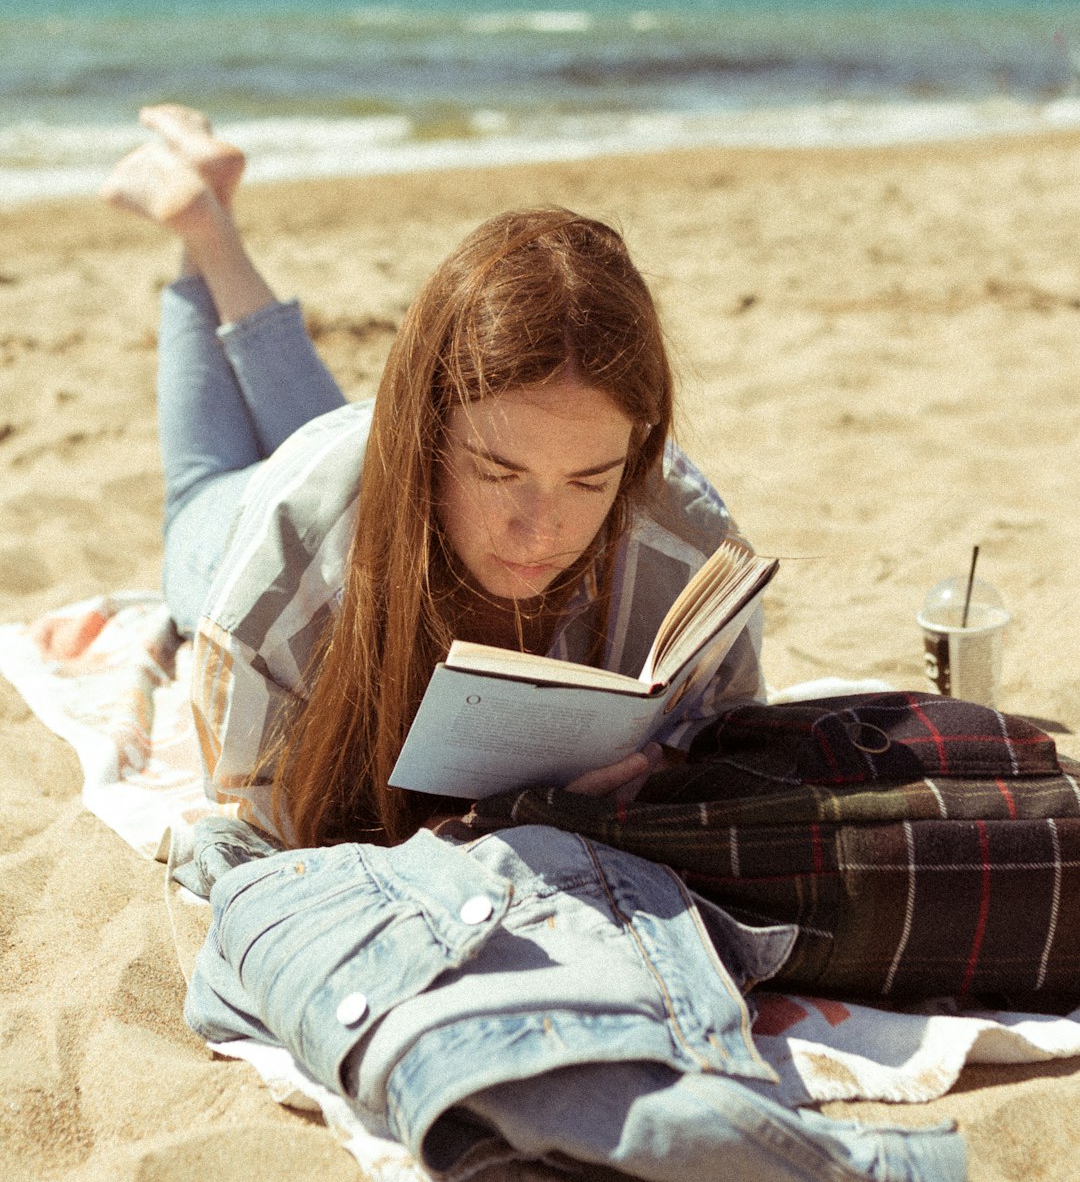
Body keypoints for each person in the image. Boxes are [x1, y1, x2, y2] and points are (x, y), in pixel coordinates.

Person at [102, 106, 764, 848]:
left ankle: (207, 212)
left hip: (353, 461)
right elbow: (252, 813)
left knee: (334, 438)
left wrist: (657, 773)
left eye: (589, 482)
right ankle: (202, 231)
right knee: (201, 476)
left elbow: (735, 738)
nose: (540, 528)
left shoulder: (683, 535)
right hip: (240, 515)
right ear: (427, 437)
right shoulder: (285, 569)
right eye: (497, 473)